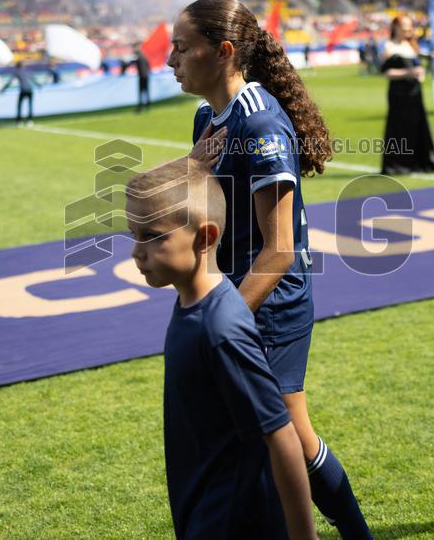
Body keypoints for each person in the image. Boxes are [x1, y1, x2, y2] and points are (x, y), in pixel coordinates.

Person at [174, 0, 372, 539]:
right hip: (232, 298)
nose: (170, 59)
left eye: (182, 47)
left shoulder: (259, 122)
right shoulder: (207, 116)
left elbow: (280, 248)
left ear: (224, 52)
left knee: (290, 438)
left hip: (269, 304)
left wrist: (223, 317)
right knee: (254, 439)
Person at [126, 157, 316, 540]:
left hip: (231, 520)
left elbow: (282, 437)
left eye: (153, 236)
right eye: (134, 234)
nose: (136, 251)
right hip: (201, 507)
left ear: (205, 237)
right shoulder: (190, 304)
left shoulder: (221, 328)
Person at [380, 15, 434, 175]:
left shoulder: (413, 46)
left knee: (418, 126)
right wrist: (407, 72)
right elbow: (386, 72)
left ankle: (422, 162)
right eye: (404, 25)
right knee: (399, 128)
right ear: (395, 27)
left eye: (410, 26)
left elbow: (419, 68)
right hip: (398, 94)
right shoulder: (389, 47)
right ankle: (399, 164)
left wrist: (420, 73)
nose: (408, 29)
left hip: (415, 93)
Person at [0, 60, 39, 124]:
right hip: (30, 90)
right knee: (30, 105)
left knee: (19, 105)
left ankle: (19, 121)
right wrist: (39, 85)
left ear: (17, 66)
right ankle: (30, 120)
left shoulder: (17, 72)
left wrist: (3, 89)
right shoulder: (27, 71)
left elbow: (10, 82)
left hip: (23, 90)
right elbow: (33, 79)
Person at [131, 44, 150, 113]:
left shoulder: (138, 57)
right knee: (146, 92)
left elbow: (131, 63)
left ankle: (140, 108)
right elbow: (148, 66)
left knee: (141, 92)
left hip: (142, 76)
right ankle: (147, 107)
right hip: (146, 76)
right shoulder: (144, 57)